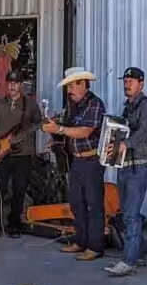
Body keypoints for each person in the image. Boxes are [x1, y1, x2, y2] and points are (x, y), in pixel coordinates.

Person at [42, 67, 106, 261]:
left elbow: (85, 131)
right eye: (68, 85)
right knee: (77, 202)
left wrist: (59, 129)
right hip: (77, 159)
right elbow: (71, 131)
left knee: (93, 204)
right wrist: (58, 140)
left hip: (92, 159)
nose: (69, 89)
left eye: (71, 85)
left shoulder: (94, 103)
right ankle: (81, 241)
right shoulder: (73, 105)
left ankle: (95, 247)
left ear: (82, 84)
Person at [104, 67, 147, 277]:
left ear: (141, 84)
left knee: (131, 214)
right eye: (125, 80)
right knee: (127, 213)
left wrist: (125, 144)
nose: (127, 84)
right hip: (125, 166)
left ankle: (128, 261)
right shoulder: (127, 108)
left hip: (140, 166)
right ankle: (137, 253)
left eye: (131, 81)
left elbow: (144, 131)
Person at [0, 71, 42, 240]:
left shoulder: (30, 104)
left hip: (23, 154)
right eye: (10, 82)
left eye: (16, 83)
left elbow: (38, 122)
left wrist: (42, 126)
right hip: (3, 152)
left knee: (19, 190)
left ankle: (14, 226)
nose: (12, 86)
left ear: (21, 85)